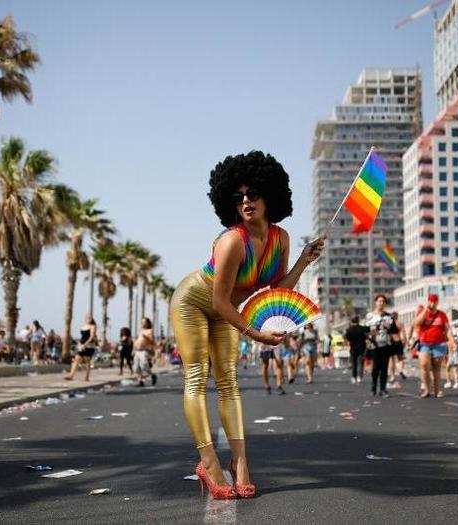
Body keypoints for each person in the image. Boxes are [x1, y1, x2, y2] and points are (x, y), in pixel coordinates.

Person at [169, 151, 324, 499]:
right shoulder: (231, 242)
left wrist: (304, 260)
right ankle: (208, 462)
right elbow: (218, 301)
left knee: (229, 381)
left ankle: (241, 464)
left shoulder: (280, 238)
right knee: (197, 376)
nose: (246, 202)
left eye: (252, 194)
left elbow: (278, 290)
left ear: (269, 196)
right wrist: (255, 334)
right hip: (195, 302)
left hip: (226, 310)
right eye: (239, 198)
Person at [414, 294, 454, 398]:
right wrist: (425, 311)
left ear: (437, 302)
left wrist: (452, 341)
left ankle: (437, 390)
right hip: (425, 343)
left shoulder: (442, 315)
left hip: (439, 344)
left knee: (436, 368)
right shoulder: (423, 312)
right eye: (430, 301)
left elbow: (447, 329)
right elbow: (416, 323)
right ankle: (427, 389)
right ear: (428, 301)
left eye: (434, 301)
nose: (432, 303)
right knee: (424, 365)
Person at [365, 294, 395, 397]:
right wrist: (373, 332)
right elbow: (366, 331)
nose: (381, 303)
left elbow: (394, 330)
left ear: (385, 303)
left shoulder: (389, 316)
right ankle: (373, 387)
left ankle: (383, 389)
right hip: (374, 344)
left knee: (384, 368)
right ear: (376, 302)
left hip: (385, 344)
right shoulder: (370, 315)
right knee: (375, 368)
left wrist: (389, 327)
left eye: (383, 301)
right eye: (379, 301)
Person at [64, 315, 98, 381]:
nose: (88, 319)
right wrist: (79, 344)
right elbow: (82, 337)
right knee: (77, 358)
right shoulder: (83, 326)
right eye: (87, 318)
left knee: (87, 360)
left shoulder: (93, 326)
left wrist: (85, 344)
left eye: (90, 318)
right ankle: (71, 375)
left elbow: (92, 337)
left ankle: (87, 376)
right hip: (82, 345)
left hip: (89, 345)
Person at [133, 317, 158, 386]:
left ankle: (152, 375)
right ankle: (140, 381)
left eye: (144, 322)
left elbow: (152, 341)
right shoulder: (141, 331)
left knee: (144, 365)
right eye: (142, 322)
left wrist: (146, 337)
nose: (143, 323)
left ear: (147, 323)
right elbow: (139, 340)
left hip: (144, 351)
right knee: (136, 367)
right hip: (137, 351)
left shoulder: (150, 331)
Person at [344, 316, 369, 385]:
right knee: (360, 363)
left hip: (353, 348)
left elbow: (347, 339)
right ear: (358, 321)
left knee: (354, 363)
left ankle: (353, 377)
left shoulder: (349, 329)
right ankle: (359, 377)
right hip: (362, 347)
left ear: (352, 321)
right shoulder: (362, 328)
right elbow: (367, 336)